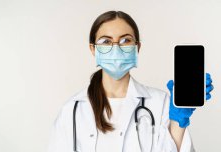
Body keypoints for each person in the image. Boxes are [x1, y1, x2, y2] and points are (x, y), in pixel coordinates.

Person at [47, 11, 214, 152]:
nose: (116, 48)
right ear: (93, 49)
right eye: (106, 41)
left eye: (125, 40)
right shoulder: (72, 110)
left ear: (137, 47)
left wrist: (179, 119)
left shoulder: (161, 103)